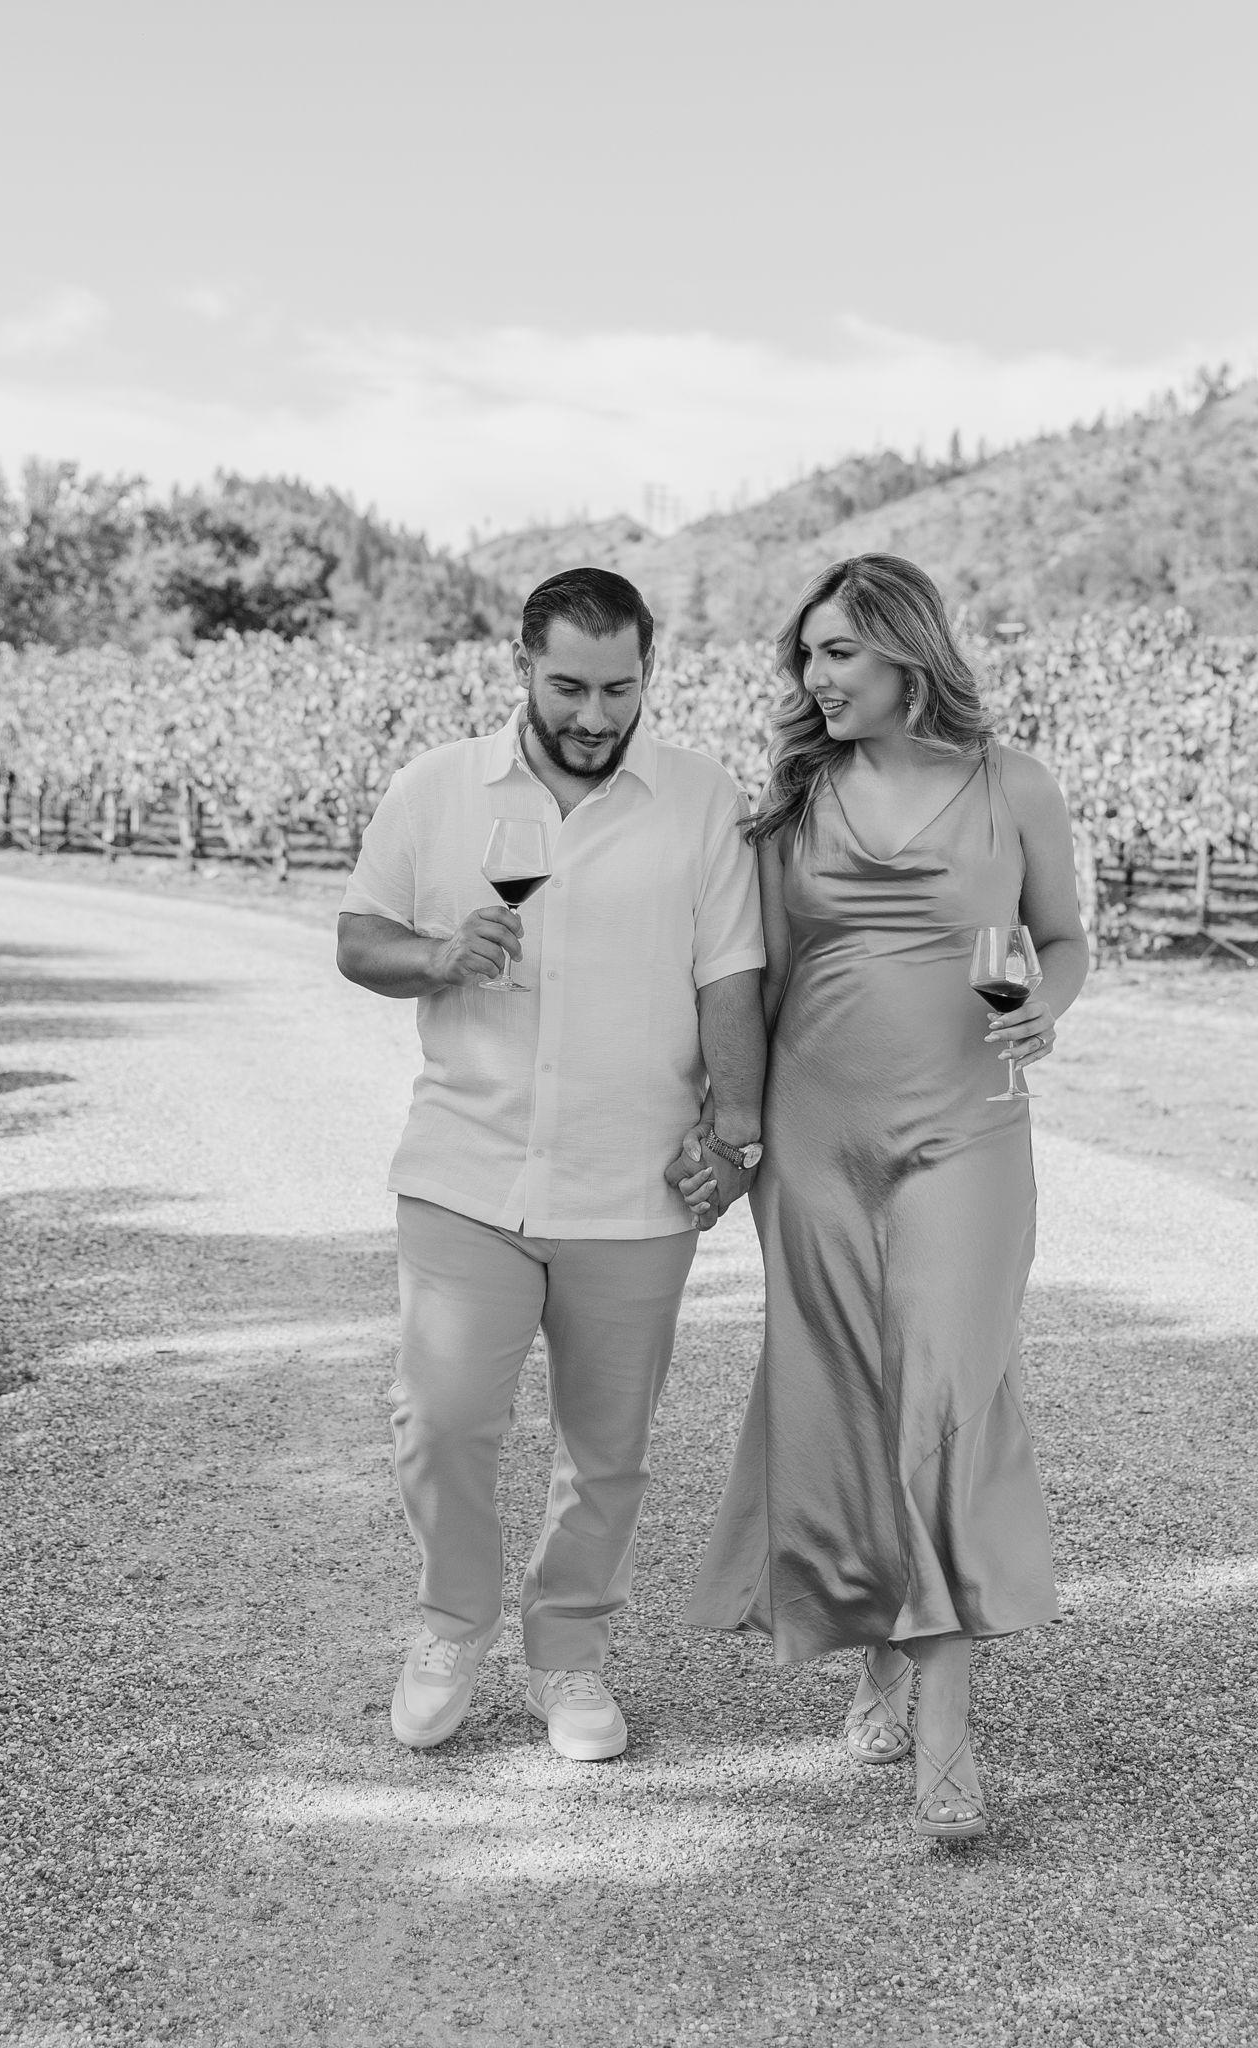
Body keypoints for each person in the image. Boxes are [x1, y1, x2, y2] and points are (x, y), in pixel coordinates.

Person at [674, 554, 1089, 1840]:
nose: (815, 675)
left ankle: (947, 1727)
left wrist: (1046, 1008)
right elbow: (759, 980)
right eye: (805, 655)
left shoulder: (1012, 783)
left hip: (967, 1127)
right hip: (817, 1135)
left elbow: (1061, 937)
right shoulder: (795, 801)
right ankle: (880, 1652)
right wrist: (731, 1133)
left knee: (943, 1395)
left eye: (838, 650)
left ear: (907, 651)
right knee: (850, 1398)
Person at [337, 566, 765, 1762]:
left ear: (647, 673)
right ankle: (449, 1624)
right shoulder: (435, 788)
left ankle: (567, 1651)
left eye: (618, 688)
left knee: (606, 1447)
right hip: (465, 1169)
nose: (593, 713)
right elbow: (358, 939)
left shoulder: (701, 799)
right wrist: (438, 954)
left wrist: (735, 1137)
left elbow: (731, 975)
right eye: (569, 685)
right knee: (439, 1417)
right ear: (521, 665)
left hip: (633, 1184)